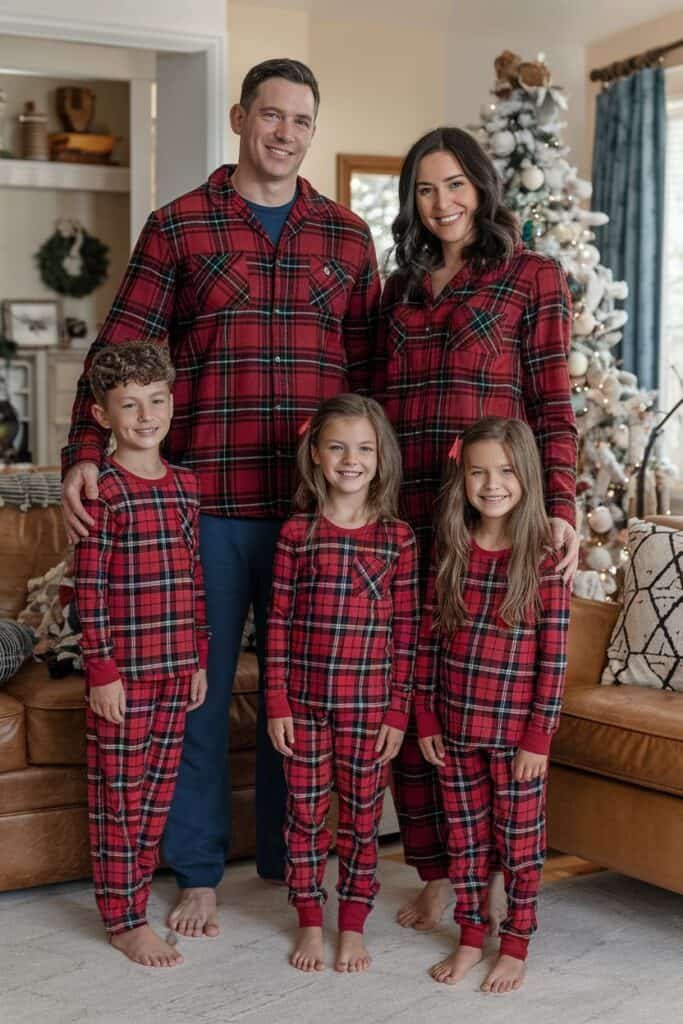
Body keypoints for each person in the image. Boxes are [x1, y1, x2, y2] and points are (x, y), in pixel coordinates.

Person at [61, 58, 380, 938]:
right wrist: (86, 451)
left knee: (305, 691)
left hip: (319, 515)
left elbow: (370, 378)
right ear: (241, 118)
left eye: (302, 120)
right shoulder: (179, 227)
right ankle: (198, 872)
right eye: (270, 115)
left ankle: (288, 864)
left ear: (313, 130)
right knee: (194, 696)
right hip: (208, 507)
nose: (284, 133)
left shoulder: (348, 239)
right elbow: (117, 350)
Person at [374, 126, 578, 931]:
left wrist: (558, 504)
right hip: (403, 517)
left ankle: (489, 876)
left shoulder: (530, 277)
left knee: (483, 704)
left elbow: (553, 406)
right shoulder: (398, 290)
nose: (442, 203)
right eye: (425, 189)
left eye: (455, 184)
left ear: (481, 187)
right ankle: (434, 870)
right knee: (417, 693)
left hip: (488, 519)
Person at [415, 417, 570, 993]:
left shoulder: (544, 557)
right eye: (478, 471)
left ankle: (516, 943)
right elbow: (430, 639)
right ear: (463, 478)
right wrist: (426, 714)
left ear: (526, 475)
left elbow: (553, 659)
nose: (492, 483)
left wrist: (539, 736)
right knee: (466, 838)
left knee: (521, 843)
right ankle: (471, 937)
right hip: (455, 727)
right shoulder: (452, 546)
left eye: (505, 471)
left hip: (516, 738)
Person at [266, 394, 419, 974]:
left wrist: (398, 711)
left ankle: (352, 923)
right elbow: (277, 623)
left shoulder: (398, 539)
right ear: (316, 454)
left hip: (370, 708)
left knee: (360, 820)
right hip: (303, 705)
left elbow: (406, 632)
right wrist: (276, 699)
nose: (350, 459)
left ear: (381, 458)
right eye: (337, 447)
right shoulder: (296, 534)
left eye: (363, 448)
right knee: (304, 816)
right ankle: (309, 917)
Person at [73, 342, 209, 967]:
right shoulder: (104, 489)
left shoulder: (185, 485)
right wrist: (101, 670)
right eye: (129, 405)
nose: (145, 415)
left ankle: (134, 898)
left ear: (172, 403)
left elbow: (193, 577)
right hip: (123, 676)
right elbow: (90, 591)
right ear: (103, 415)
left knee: (157, 792)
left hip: (176, 667)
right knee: (118, 799)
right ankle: (124, 919)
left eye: (156, 401)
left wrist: (199, 658)